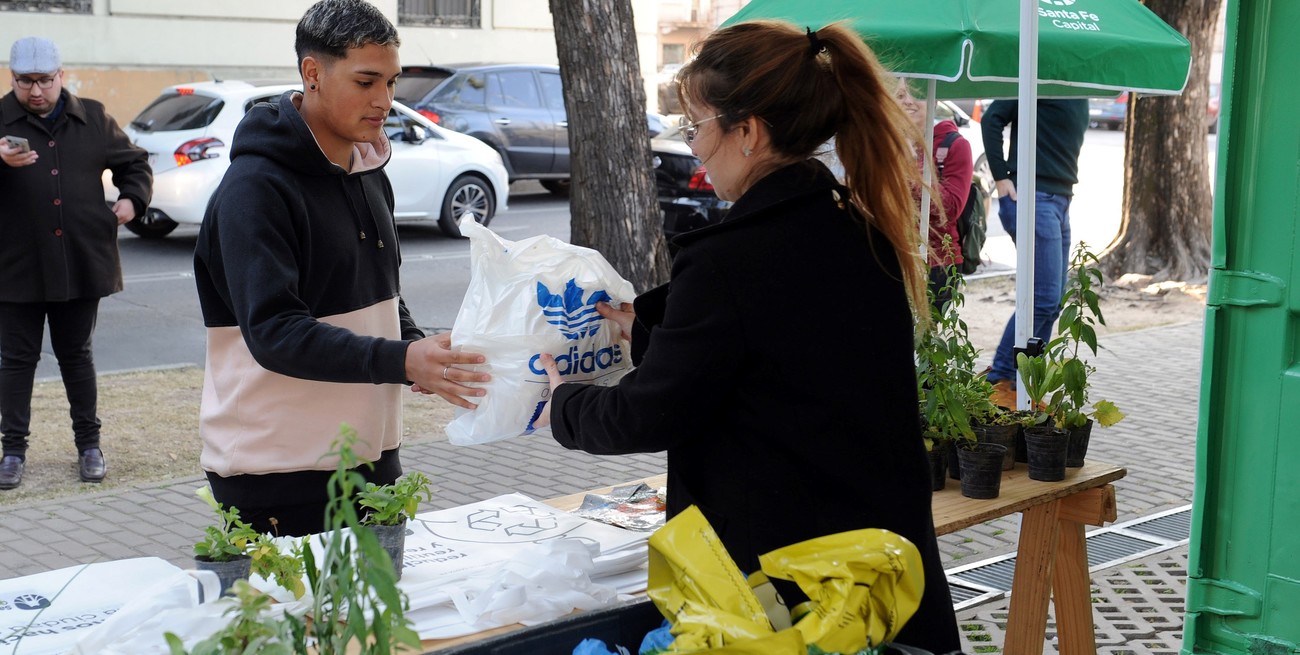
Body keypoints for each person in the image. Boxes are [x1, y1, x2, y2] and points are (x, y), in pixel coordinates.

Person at [533, 21, 961, 652]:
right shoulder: (856, 225)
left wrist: (565, 400)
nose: (696, 148)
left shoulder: (731, 259)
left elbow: (649, 413)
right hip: (881, 567)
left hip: (792, 592)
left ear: (749, 132)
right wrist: (647, 324)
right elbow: (770, 362)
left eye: (697, 127)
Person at [193, 0, 487, 536]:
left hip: (372, 454)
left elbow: (379, 295)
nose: (385, 101)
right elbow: (274, 332)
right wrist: (400, 360)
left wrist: (421, 349)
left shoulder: (369, 168)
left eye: (392, 83)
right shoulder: (255, 190)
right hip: (277, 468)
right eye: (367, 81)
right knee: (307, 622)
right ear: (313, 74)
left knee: (376, 619)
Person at [0, 37, 151, 491]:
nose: (36, 91)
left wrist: (131, 201)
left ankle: (89, 446)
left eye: (45, 80)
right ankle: (12, 452)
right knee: (15, 360)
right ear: (13, 80)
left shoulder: (94, 116)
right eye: (25, 82)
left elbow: (135, 164)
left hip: (80, 260)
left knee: (77, 356)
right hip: (15, 265)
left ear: (60, 76)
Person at [980, 99, 1089, 406]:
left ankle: (1024, 384)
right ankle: (1001, 380)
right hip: (1033, 196)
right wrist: (1000, 177)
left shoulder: (1076, 76)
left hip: (1059, 199)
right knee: (1042, 299)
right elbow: (991, 119)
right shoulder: (1039, 68)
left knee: (1052, 303)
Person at [894, 79, 973, 312]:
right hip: (894, 258)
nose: (908, 100)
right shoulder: (884, 144)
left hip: (938, 262)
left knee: (927, 341)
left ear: (934, 102)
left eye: (916, 94)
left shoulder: (954, 145)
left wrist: (909, 167)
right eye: (900, 95)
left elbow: (949, 209)